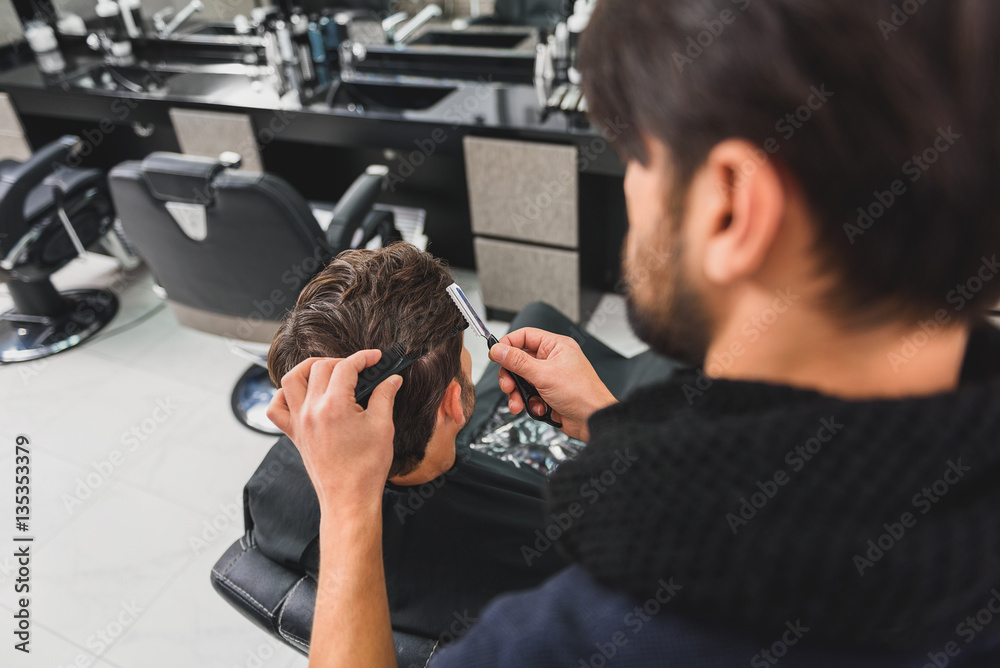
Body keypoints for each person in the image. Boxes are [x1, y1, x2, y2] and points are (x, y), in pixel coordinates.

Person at [266, 0, 1000, 666]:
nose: (628, 188)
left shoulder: (598, 634)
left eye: (635, 155)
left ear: (730, 206)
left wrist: (347, 504)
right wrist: (611, 420)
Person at [248, 243, 566, 640]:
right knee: (539, 314)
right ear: (453, 404)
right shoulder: (549, 542)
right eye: (465, 360)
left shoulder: (270, 488)